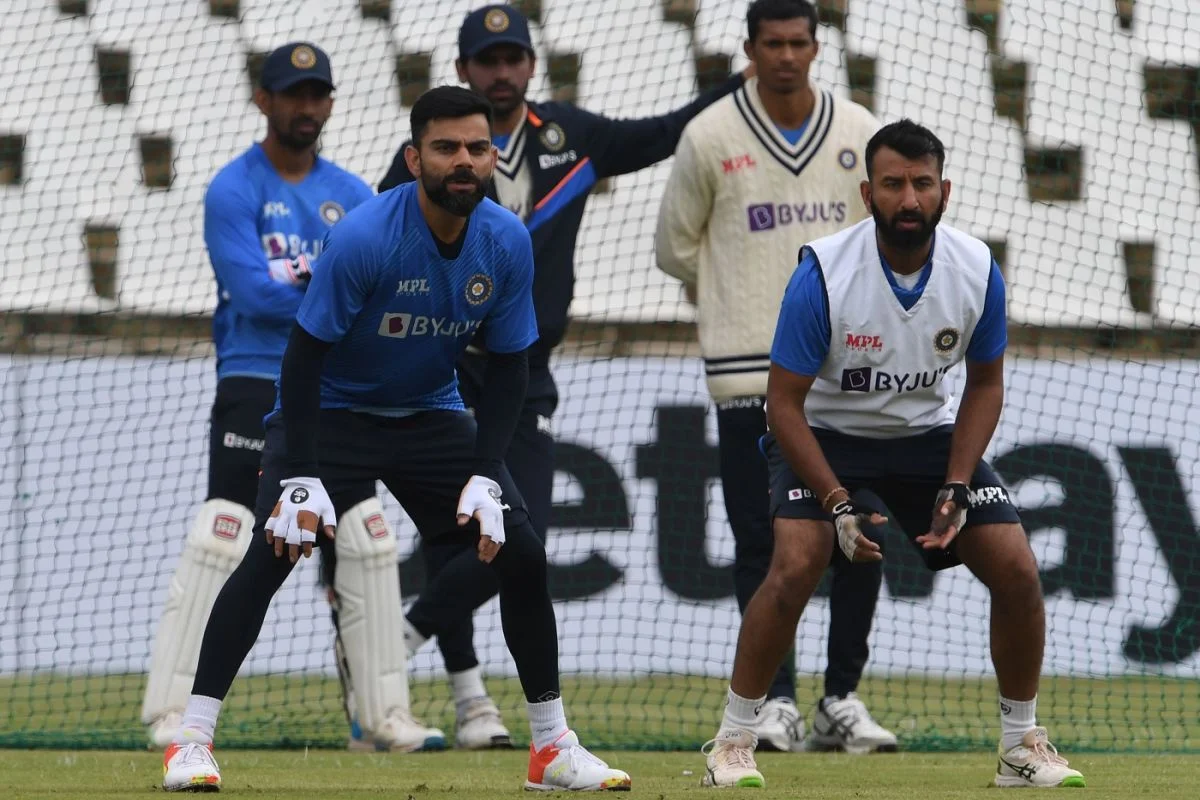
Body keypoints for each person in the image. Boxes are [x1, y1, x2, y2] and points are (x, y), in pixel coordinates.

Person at [161, 85, 633, 794]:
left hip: (429, 414)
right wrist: (301, 473)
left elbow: (511, 365)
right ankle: (192, 741)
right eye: (445, 148)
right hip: (330, 412)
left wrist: (486, 468)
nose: (463, 161)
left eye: (477, 147)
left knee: (523, 553)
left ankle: (551, 748)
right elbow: (304, 356)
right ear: (414, 159)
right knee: (272, 552)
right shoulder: (365, 236)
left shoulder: (505, 240)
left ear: (494, 156)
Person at [333, 2, 754, 750]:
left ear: (532, 65)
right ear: (462, 69)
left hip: (522, 370)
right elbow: (377, 235)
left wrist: (741, 86)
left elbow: (662, 133)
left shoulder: (570, 138)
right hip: (438, 366)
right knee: (455, 536)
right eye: (487, 61)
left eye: (513, 58)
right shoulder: (433, 156)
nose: (501, 73)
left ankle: (395, 638)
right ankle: (472, 704)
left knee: (517, 530)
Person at [697, 119, 1087, 789]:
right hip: (823, 435)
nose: (909, 199)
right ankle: (733, 740)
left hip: (924, 439)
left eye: (922, 184)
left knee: (1018, 568)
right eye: (893, 184)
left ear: (945, 192)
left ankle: (1020, 746)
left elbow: (985, 385)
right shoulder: (824, 273)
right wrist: (836, 503)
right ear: (867, 193)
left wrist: (957, 483)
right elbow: (781, 407)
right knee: (796, 562)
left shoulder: (976, 269)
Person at [140, 41, 443, 754]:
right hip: (255, 378)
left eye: (317, 94)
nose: (306, 107)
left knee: (366, 537)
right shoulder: (234, 188)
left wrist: (329, 300)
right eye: (292, 94)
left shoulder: (353, 193)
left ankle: (381, 716)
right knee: (224, 532)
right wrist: (331, 297)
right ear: (264, 101)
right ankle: (174, 713)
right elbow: (253, 294)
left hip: (337, 384)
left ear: (330, 103)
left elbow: (380, 292)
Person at [655, 0, 895, 754]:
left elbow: (886, 240)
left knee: (862, 534)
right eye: (773, 44)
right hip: (748, 376)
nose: (786, 56)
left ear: (818, 48)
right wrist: (742, 299)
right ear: (749, 49)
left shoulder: (856, 131)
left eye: (798, 43)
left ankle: (840, 700)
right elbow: (674, 248)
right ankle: (776, 702)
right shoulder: (709, 134)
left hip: (849, 376)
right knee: (763, 543)